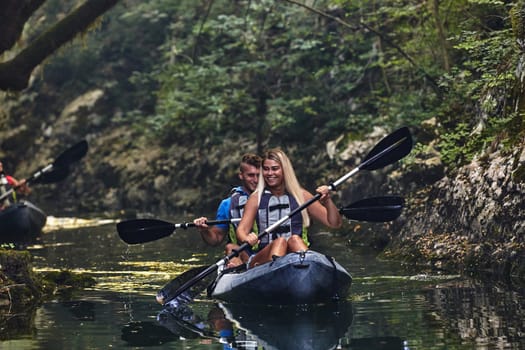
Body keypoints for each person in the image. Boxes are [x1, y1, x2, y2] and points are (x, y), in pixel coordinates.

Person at [236, 148, 342, 268]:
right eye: (266, 169)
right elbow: (241, 231)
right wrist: (247, 238)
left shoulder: (301, 196)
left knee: (295, 240)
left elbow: (334, 223)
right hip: (264, 259)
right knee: (280, 242)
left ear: (284, 170)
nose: (270, 173)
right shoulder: (256, 198)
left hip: (294, 255)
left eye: (275, 169)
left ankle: (308, 267)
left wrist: (327, 200)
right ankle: (279, 271)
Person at [193, 153, 262, 267]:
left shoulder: (272, 199)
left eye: (258, 175)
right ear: (241, 175)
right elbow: (216, 239)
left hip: (266, 254)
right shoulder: (228, 204)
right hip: (241, 255)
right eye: (250, 175)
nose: (255, 180)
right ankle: (235, 268)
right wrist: (204, 230)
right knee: (230, 247)